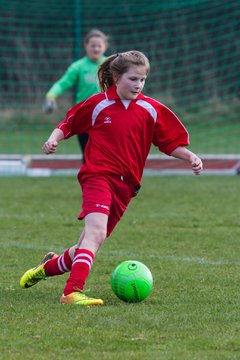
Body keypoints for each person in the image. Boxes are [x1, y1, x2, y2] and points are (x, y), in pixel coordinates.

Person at [20, 50, 203, 306]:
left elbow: (167, 142)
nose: (138, 85)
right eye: (132, 79)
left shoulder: (151, 109)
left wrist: (190, 156)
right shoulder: (98, 104)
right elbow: (68, 124)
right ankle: (72, 292)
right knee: (95, 234)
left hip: (126, 186)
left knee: (86, 244)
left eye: (142, 79)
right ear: (116, 77)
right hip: (98, 176)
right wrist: (53, 139)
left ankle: (44, 268)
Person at [42, 29, 109, 161]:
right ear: (86, 46)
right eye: (93, 45)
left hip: (106, 115)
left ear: (105, 47)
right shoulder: (78, 66)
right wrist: (51, 95)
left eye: (99, 45)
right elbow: (63, 83)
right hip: (84, 116)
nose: (96, 49)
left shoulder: (110, 65)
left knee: (107, 154)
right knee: (88, 155)